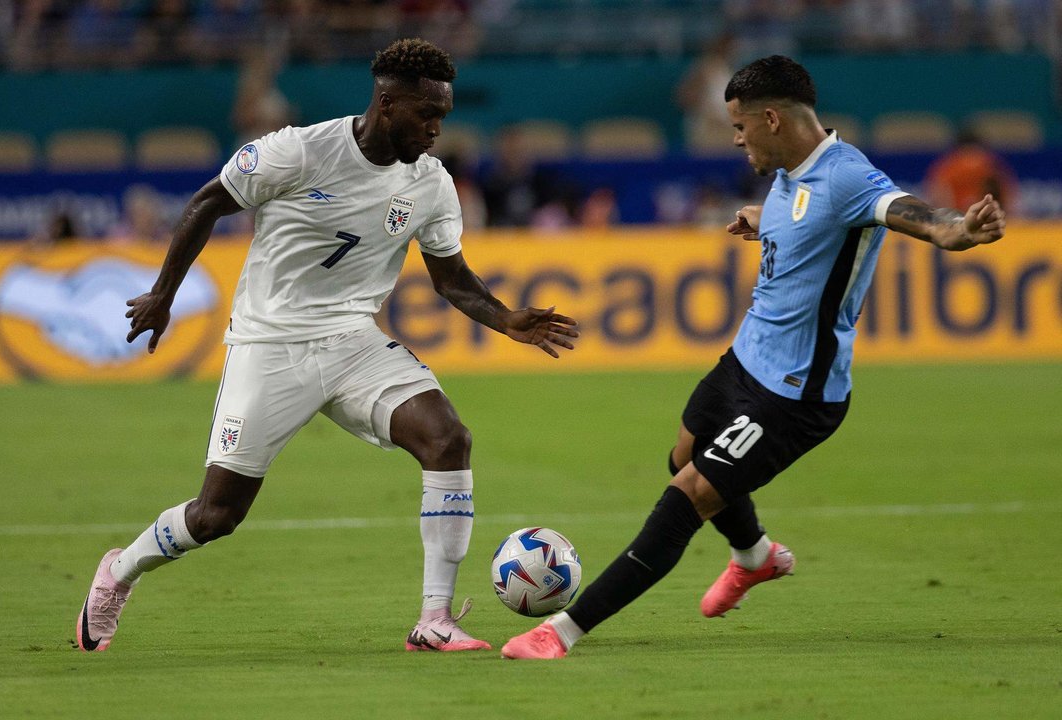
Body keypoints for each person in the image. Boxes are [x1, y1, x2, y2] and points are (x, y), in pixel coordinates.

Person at [75, 38, 579, 654]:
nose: (436, 129)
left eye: (442, 116)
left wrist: (505, 319)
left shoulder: (430, 183)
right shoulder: (299, 150)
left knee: (448, 439)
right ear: (387, 103)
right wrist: (162, 293)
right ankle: (118, 573)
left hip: (352, 342)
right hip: (269, 345)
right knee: (216, 516)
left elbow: (451, 279)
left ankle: (434, 620)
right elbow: (207, 203)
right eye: (427, 114)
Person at [501, 55, 1005, 660]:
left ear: (772, 118)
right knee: (682, 453)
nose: (735, 139)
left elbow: (914, 216)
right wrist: (763, 218)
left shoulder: (847, 176)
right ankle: (756, 557)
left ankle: (561, 632)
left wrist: (961, 229)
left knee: (688, 495)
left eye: (740, 127)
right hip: (746, 359)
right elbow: (806, 219)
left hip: (794, 394)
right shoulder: (791, 170)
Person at [925, 128, 1019, 215]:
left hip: (961, 220)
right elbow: (1008, 196)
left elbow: (937, 196)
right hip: (981, 219)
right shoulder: (990, 164)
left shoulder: (947, 166)